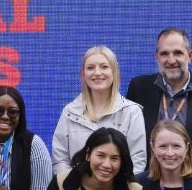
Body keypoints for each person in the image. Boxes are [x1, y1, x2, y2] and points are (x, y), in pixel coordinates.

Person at [126, 28, 192, 177]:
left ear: (190, 56)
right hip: (149, 187)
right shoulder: (139, 89)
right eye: (164, 54)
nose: (171, 60)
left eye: (177, 53)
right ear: (156, 57)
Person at [50, 45, 147, 175]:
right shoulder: (69, 112)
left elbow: (137, 161)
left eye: (104, 67)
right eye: (90, 68)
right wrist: (73, 188)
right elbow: (60, 159)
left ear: (114, 72)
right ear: (83, 74)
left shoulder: (132, 112)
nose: (97, 72)